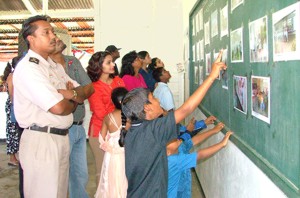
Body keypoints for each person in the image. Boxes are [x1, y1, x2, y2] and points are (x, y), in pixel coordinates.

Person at [119, 51, 226, 197]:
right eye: (154, 98)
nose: (158, 100)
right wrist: (212, 76)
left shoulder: (134, 130)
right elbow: (186, 109)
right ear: (147, 107)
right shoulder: (152, 130)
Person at [13, 15, 86, 198]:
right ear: (31, 39)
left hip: (60, 138)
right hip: (42, 140)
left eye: (52, 31)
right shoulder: (30, 68)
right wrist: (71, 98)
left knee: (60, 193)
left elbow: (82, 93)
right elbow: (58, 108)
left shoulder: (54, 66)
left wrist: (70, 95)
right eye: (46, 32)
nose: (53, 36)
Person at [49, 38, 94, 198]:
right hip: (60, 129)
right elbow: (57, 99)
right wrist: (77, 94)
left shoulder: (72, 61)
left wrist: (74, 94)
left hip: (78, 127)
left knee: (80, 175)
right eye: (51, 36)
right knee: (59, 177)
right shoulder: (46, 67)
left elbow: (89, 88)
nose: (57, 38)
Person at [86, 51, 125, 186]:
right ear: (98, 66)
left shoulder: (118, 81)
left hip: (119, 130)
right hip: (100, 133)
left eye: (112, 62)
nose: (113, 64)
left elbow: (127, 103)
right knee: (103, 171)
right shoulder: (94, 87)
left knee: (119, 170)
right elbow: (100, 113)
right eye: (108, 62)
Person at [167, 123, 233, 198]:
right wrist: (221, 144)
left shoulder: (179, 147)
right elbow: (200, 154)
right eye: (172, 140)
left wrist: (213, 130)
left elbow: (193, 141)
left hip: (182, 189)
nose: (176, 138)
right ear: (168, 152)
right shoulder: (173, 161)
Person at [95, 87, 129, 198]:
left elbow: (101, 138)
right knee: (125, 181)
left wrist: (110, 144)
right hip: (127, 154)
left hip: (112, 155)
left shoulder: (107, 118)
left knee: (110, 181)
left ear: (112, 101)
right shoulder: (130, 118)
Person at [3, 56, 25, 198]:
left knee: (16, 133)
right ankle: (12, 157)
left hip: (17, 107)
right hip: (14, 107)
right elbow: (12, 95)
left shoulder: (18, 75)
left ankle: (15, 157)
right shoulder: (12, 76)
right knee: (13, 132)